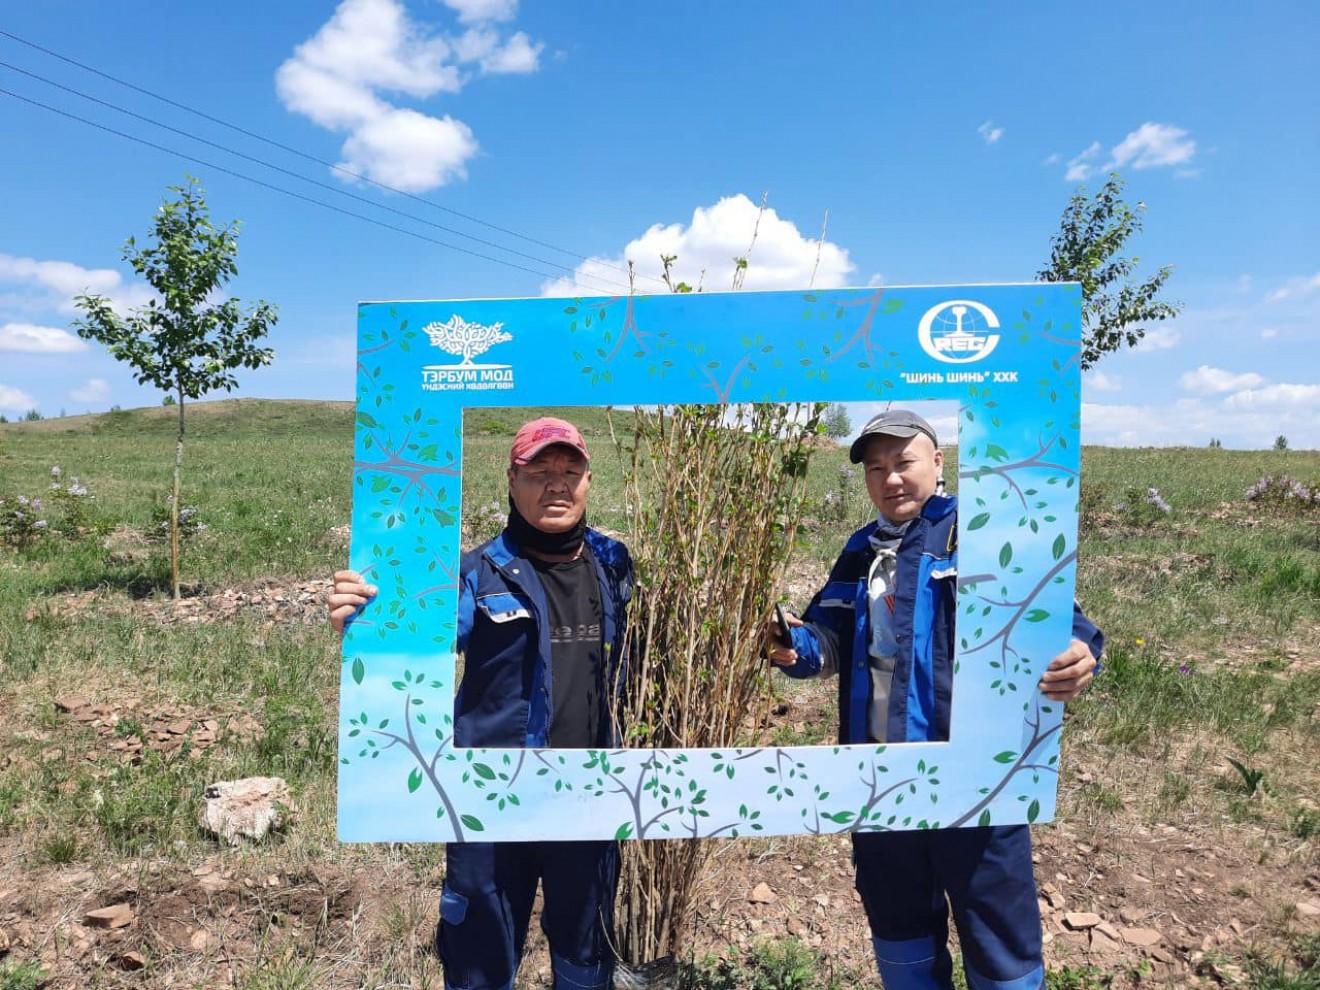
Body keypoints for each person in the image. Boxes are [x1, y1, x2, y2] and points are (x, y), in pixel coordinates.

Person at [765, 409, 1103, 990]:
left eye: (903, 462)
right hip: (880, 782)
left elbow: (1057, 623)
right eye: (876, 468)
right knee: (900, 934)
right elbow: (826, 639)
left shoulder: (983, 534)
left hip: (974, 783)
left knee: (1000, 943)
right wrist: (791, 646)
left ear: (939, 461)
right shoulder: (858, 550)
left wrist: (1078, 649)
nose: (890, 479)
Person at [329, 416, 633, 990]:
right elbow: (410, 640)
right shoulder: (474, 573)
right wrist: (361, 619)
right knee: (479, 962)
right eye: (539, 472)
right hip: (490, 800)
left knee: (585, 952)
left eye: (571, 472)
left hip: (589, 794)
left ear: (589, 481)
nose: (557, 485)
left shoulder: (615, 565)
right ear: (512, 481)